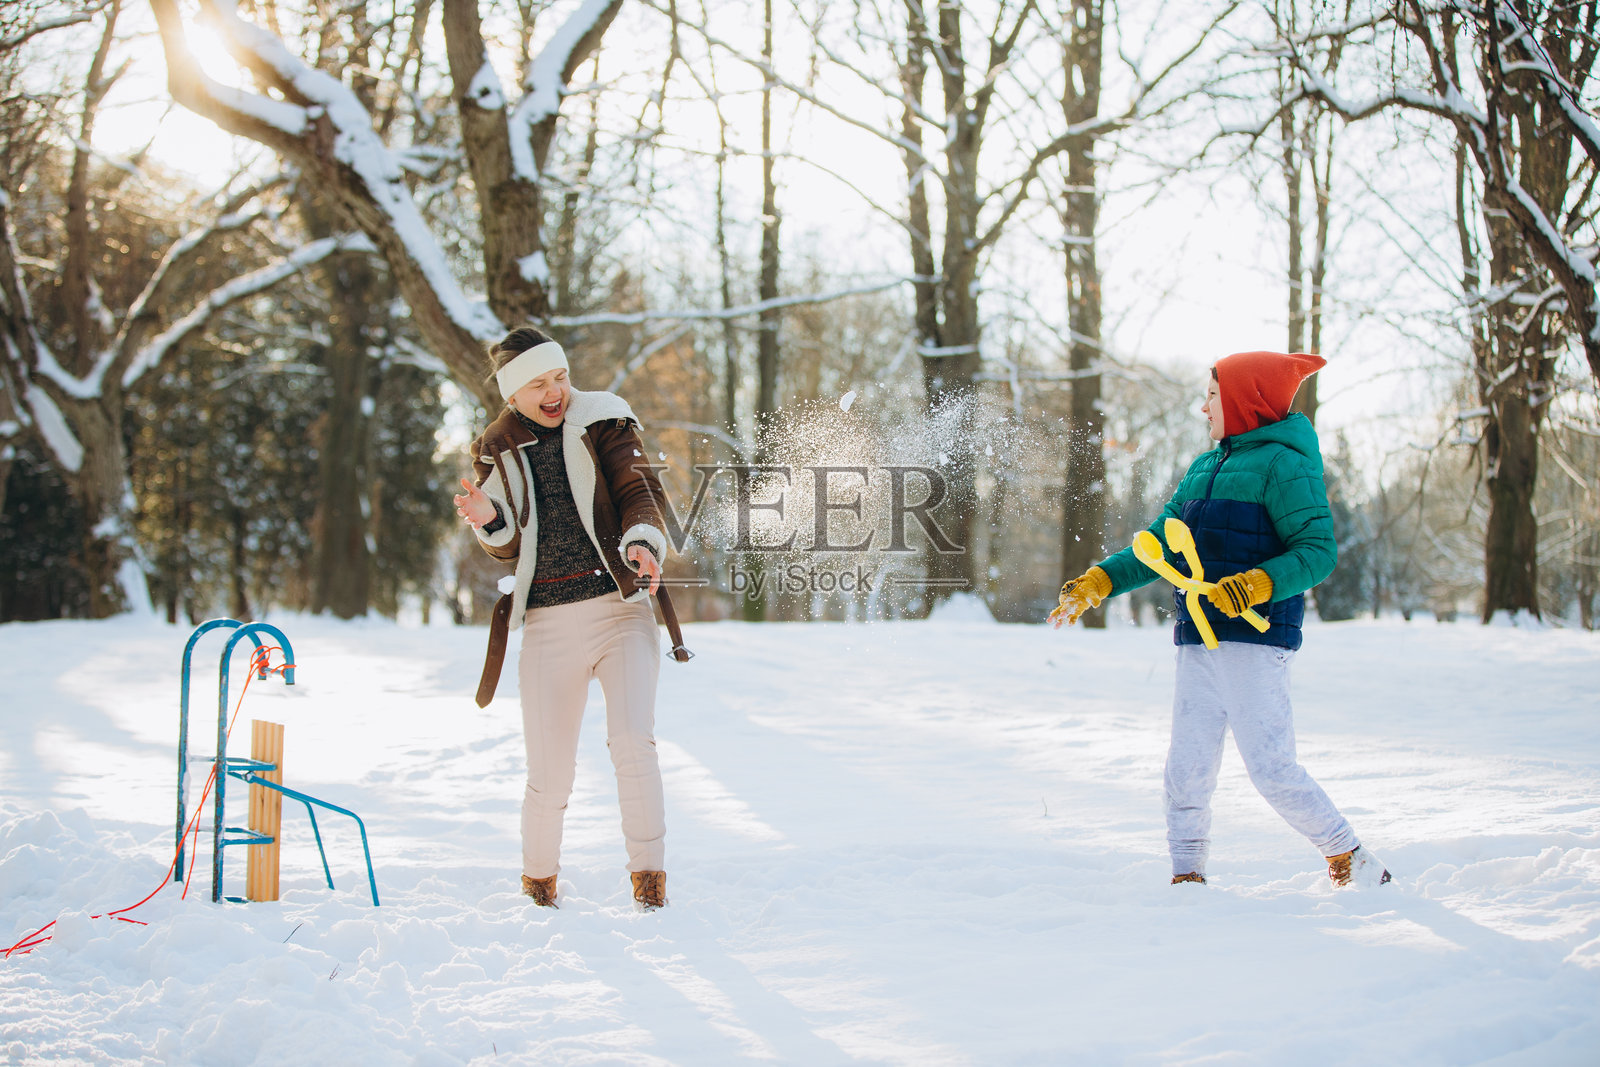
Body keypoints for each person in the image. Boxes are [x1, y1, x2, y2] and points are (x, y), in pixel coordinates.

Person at [1050, 350, 1389, 889]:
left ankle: (1348, 854)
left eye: (1212, 396)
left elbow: (1318, 550)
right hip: (1197, 637)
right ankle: (1187, 875)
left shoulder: (1285, 465)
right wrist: (1101, 581)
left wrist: (1257, 585)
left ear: (1243, 401)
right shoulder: (1205, 467)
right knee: (1186, 766)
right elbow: (1160, 543)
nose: (1203, 408)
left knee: (1271, 768)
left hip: (1256, 640)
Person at [452, 325, 691, 910]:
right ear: (513, 395)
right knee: (550, 770)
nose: (555, 390)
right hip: (549, 623)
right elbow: (507, 544)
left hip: (620, 610)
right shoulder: (497, 445)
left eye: (559, 376)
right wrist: (488, 518)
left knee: (634, 741)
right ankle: (538, 887)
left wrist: (642, 544)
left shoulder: (605, 418)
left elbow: (638, 489)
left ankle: (650, 884)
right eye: (538, 384)